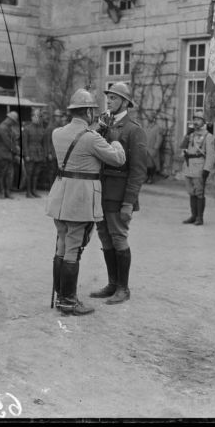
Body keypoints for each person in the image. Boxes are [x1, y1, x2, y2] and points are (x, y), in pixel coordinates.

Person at [46, 89, 126, 316]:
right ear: (90, 112)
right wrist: (115, 139)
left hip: (60, 197)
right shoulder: (92, 138)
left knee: (62, 246)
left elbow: (81, 138)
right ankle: (69, 301)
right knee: (74, 248)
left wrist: (97, 130)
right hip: (80, 200)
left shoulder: (58, 133)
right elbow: (118, 159)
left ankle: (62, 296)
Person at [90, 82, 148, 305]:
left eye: (114, 98)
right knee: (105, 238)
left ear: (125, 102)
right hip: (100, 192)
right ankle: (112, 284)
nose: (109, 101)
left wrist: (129, 203)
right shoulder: (102, 125)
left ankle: (123, 288)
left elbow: (138, 170)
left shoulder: (134, 129)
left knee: (118, 237)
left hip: (119, 194)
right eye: (109, 98)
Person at [180, 112, 215, 225]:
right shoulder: (190, 134)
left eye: (199, 120)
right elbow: (182, 146)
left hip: (199, 167)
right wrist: (187, 134)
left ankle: (200, 218)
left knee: (199, 193)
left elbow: (211, 155)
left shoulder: (208, 136)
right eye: (194, 119)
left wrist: (207, 169)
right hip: (188, 166)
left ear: (203, 122)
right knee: (191, 192)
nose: (196, 122)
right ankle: (193, 215)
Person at [0, 111, 20, 199]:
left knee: (9, 174)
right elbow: (8, 142)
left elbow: (13, 140)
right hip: (2, 154)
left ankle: (7, 191)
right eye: (13, 121)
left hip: (8, 154)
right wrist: (16, 151)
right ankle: (2, 192)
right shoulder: (2, 128)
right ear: (9, 119)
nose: (13, 123)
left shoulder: (8, 128)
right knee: (2, 174)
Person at [22, 110, 47, 198]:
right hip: (30, 153)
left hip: (39, 153)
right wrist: (27, 155)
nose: (37, 119)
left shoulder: (42, 129)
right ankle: (28, 192)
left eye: (38, 117)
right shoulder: (27, 129)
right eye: (35, 117)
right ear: (32, 117)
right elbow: (24, 143)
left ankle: (34, 190)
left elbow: (44, 143)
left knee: (36, 174)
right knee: (29, 173)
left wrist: (44, 155)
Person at [44, 109, 64, 188]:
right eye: (57, 117)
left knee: (58, 171)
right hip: (52, 153)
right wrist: (48, 153)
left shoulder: (62, 127)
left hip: (60, 153)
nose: (59, 118)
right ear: (54, 117)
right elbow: (47, 141)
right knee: (51, 171)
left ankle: (56, 187)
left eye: (60, 117)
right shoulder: (50, 127)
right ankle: (51, 187)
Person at [144, 112, 163, 183]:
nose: (149, 118)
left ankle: (151, 178)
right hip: (145, 149)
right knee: (145, 164)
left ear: (154, 118)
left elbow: (159, 139)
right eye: (148, 117)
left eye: (151, 117)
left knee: (151, 164)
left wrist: (156, 148)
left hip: (152, 149)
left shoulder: (157, 128)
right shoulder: (146, 127)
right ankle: (146, 177)